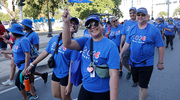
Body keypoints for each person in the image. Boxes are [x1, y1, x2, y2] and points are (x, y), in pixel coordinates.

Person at [62, 9, 119, 100]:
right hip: (85, 89)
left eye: (95, 24)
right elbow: (67, 44)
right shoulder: (85, 41)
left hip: (102, 92)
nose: (92, 27)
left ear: (102, 25)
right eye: (89, 25)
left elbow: (114, 75)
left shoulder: (111, 46)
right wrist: (66, 23)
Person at [26, 17, 80, 100]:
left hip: (66, 74)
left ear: (76, 28)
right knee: (56, 94)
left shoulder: (74, 44)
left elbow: (72, 67)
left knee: (65, 97)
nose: (72, 25)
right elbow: (45, 52)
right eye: (70, 23)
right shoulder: (55, 39)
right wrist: (32, 64)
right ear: (64, 25)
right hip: (56, 71)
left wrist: (69, 85)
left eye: (75, 24)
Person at [120, 7, 164, 100]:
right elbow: (127, 43)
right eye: (138, 15)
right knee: (136, 81)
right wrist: (120, 54)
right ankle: (142, 83)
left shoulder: (154, 30)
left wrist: (160, 62)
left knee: (143, 87)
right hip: (133, 62)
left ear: (147, 17)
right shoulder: (132, 29)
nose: (140, 17)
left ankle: (144, 87)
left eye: (143, 15)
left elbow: (160, 46)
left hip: (146, 63)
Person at [1, 23, 38, 100]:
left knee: (18, 82)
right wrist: (3, 52)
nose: (10, 34)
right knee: (27, 80)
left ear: (15, 32)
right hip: (20, 65)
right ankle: (32, 94)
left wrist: (25, 68)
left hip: (24, 65)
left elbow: (27, 55)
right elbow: (14, 51)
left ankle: (26, 98)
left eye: (11, 32)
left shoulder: (24, 40)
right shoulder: (17, 40)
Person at [21, 19, 48, 84]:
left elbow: (36, 47)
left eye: (23, 25)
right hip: (27, 56)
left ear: (27, 26)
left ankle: (32, 87)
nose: (22, 26)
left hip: (32, 57)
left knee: (30, 72)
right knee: (30, 72)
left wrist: (33, 58)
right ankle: (43, 75)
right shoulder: (24, 34)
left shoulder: (34, 35)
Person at [119, 7, 137, 83]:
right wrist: (120, 45)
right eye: (130, 13)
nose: (132, 14)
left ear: (136, 13)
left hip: (136, 47)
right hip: (127, 46)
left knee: (136, 64)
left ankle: (136, 80)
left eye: (133, 12)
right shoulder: (126, 23)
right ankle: (129, 70)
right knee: (124, 61)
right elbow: (123, 35)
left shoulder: (139, 22)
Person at [1, 20, 17, 86]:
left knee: (24, 67)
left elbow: (17, 44)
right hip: (14, 54)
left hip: (18, 54)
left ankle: (33, 75)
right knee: (12, 65)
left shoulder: (16, 35)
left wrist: (10, 43)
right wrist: (7, 41)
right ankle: (10, 80)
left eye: (10, 25)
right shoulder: (11, 35)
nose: (9, 26)